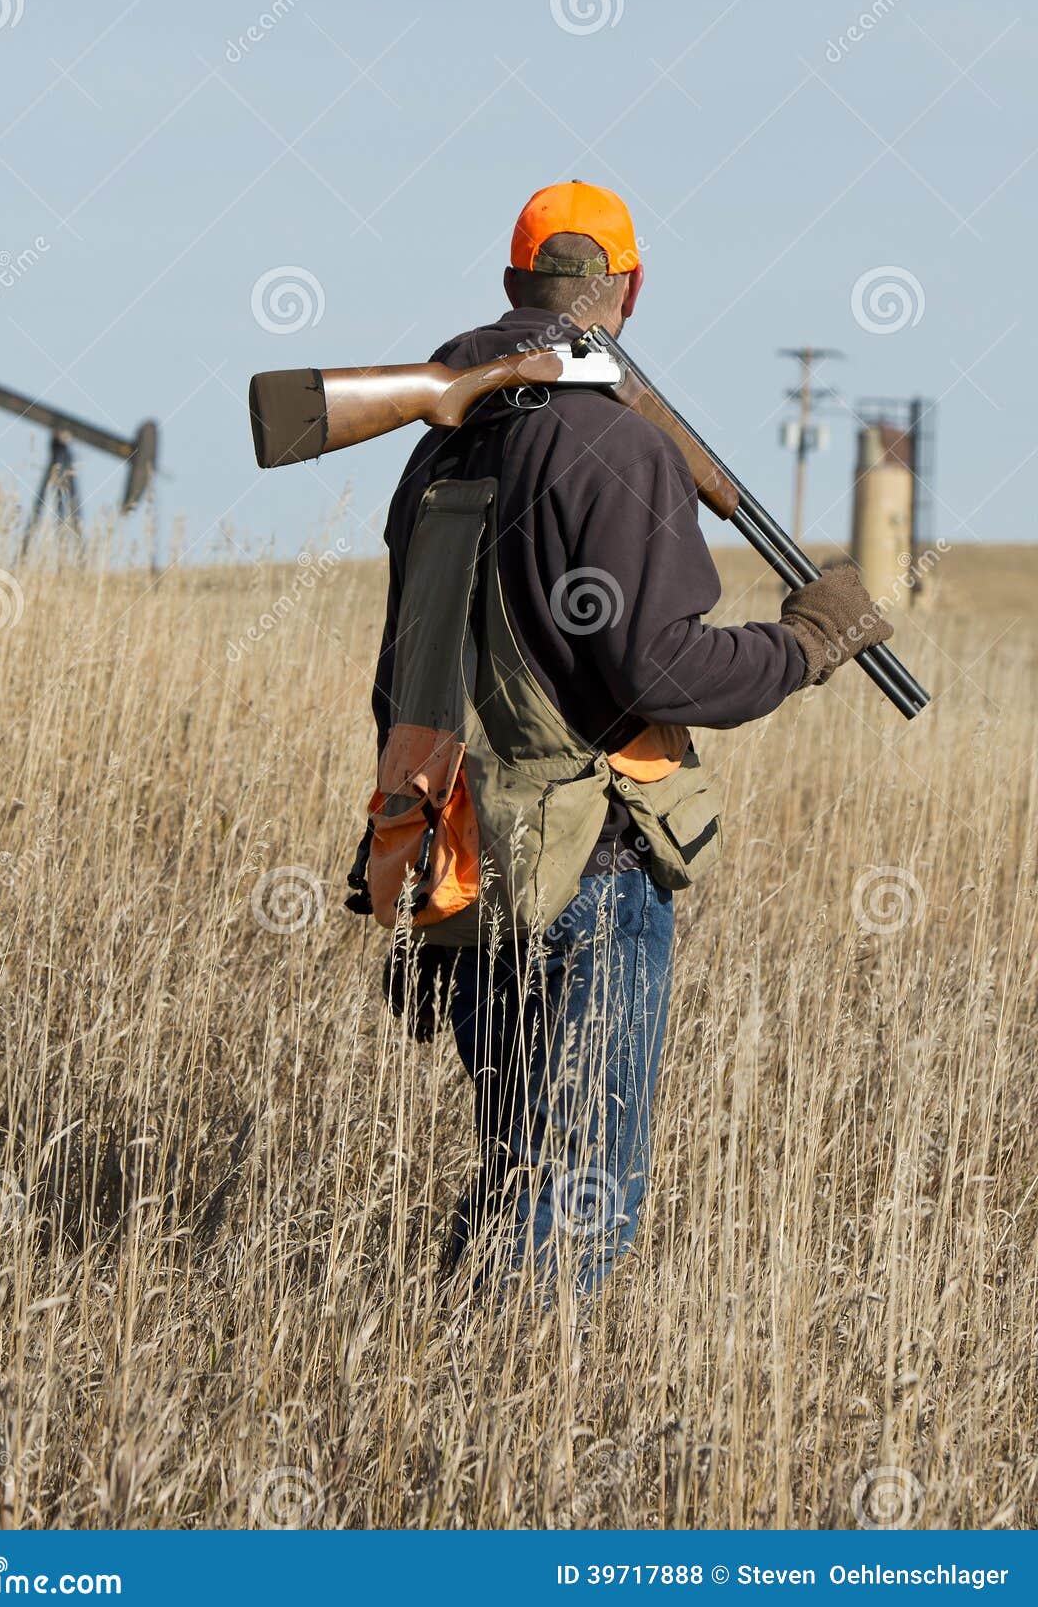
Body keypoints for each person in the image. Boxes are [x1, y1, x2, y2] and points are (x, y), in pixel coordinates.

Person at [371, 180, 890, 1296]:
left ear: (513, 285)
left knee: (520, 1179)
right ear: (628, 290)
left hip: (464, 865)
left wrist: (403, 860)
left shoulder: (436, 449)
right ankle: (504, 1448)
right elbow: (661, 666)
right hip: (586, 882)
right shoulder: (608, 439)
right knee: (578, 1203)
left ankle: (444, 1422)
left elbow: (402, 679)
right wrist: (802, 644)